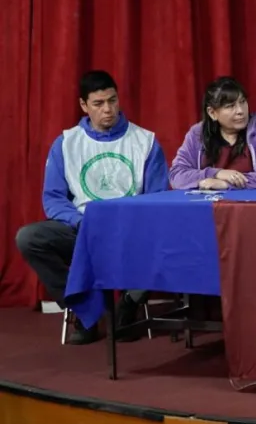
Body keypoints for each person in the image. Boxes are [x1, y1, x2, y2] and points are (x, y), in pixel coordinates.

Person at [15, 71, 169, 345]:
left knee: (169, 234)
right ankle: (86, 308)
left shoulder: (145, 142)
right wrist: (79, 222)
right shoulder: (66, 143)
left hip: (131, 230)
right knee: (29, 238)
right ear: (84, 106)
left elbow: (158, 197)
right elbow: (53, 198)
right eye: (98, 103)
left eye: (112, 100)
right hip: (82, 228)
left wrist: (133, 222)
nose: (108, 109)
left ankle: (128, 304)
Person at [169, 76, 256, 191]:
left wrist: (226, 184)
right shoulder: (197, 133)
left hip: (252, 205)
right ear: (212, 113)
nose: (240, 111)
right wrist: (216, 173)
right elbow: (176, 175)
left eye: (243, 102)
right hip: (208, 206)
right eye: (230, 106)